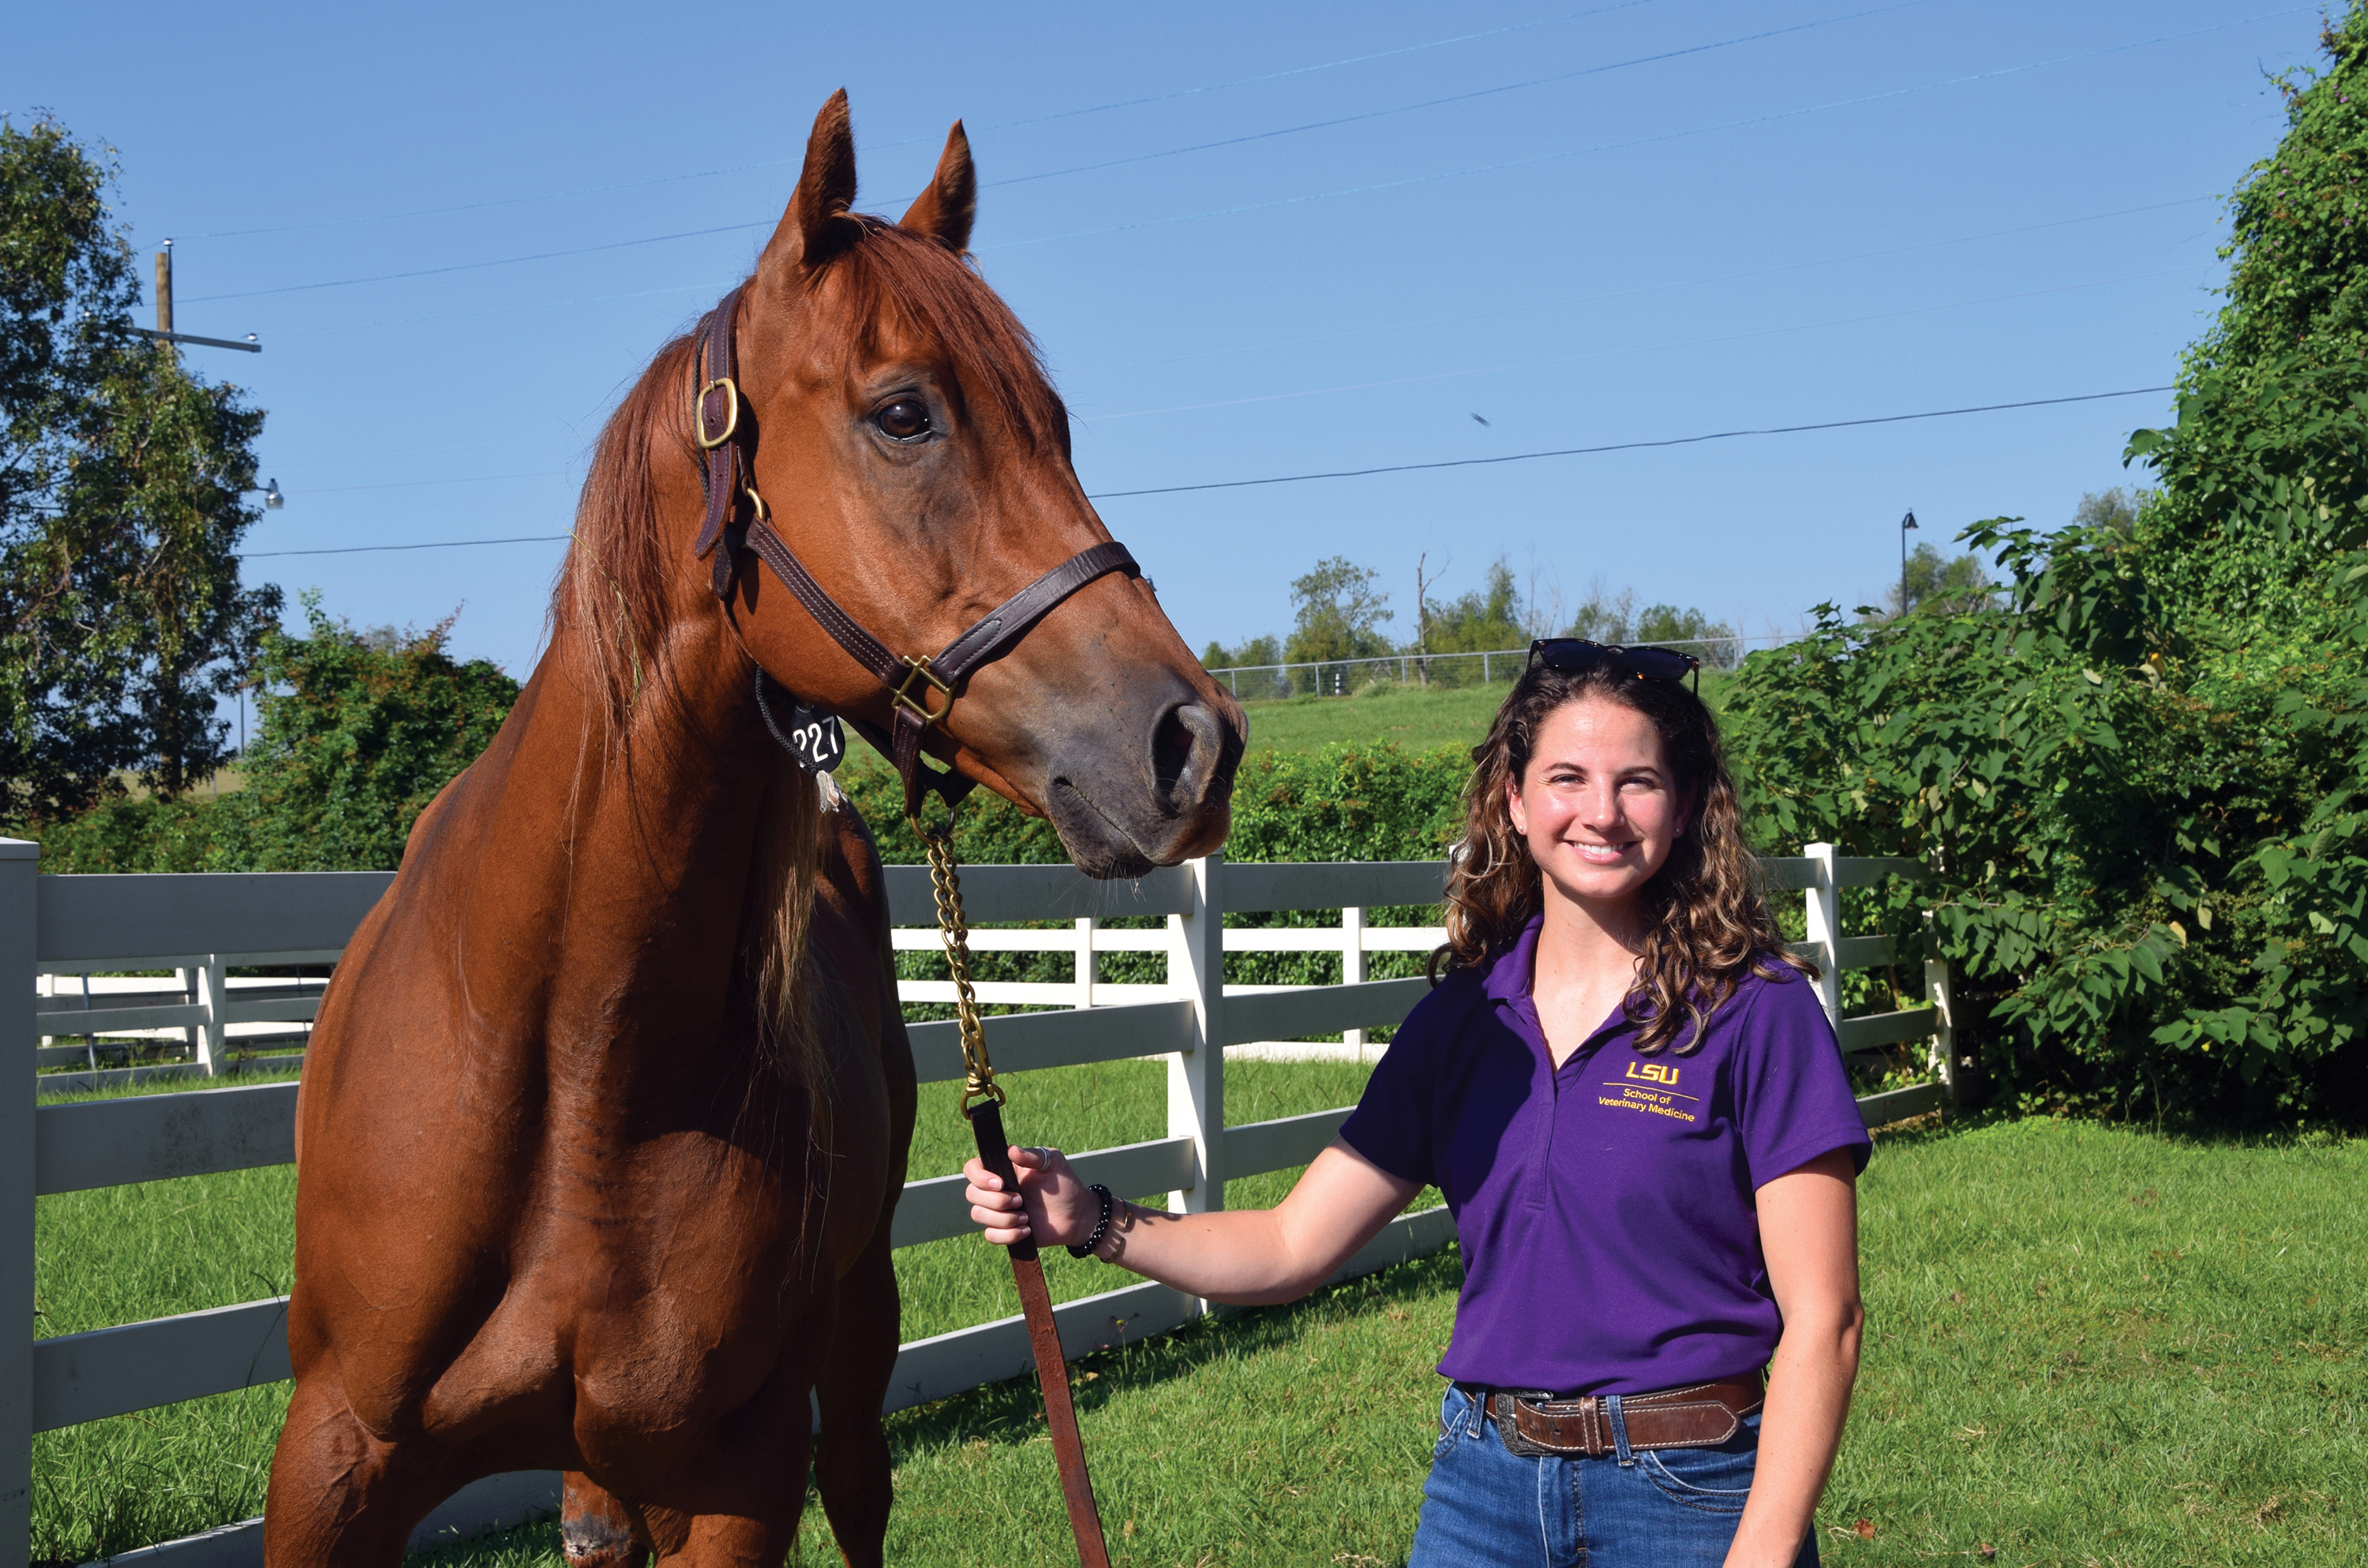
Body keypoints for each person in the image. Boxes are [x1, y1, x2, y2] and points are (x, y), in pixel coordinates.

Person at [965, 639, 1868, 1567]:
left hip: (1689, 1494)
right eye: (1567, 777)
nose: (1602, 812)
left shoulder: (1755, 1010)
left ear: (1680, 808)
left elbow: (1825, 1318)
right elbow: (1289, 1244)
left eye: (1637, 781)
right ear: (1514, 801)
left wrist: (1760, 1551)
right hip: (1484, 1494)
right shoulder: (1462, 1021)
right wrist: (1093, 1219)